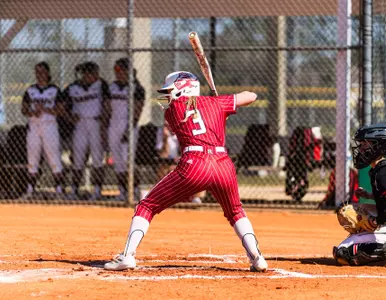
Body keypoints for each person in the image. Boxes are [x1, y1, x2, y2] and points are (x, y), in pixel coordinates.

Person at [104, 71, 268, 272]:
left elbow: (176, 105)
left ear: (181, 90)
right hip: (223, 164)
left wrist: (213, 102)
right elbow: (251, 96)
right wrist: (222, 102)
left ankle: (127, 256)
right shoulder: (217, 102)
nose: (168, 95)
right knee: (235, 211)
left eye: (172, 90)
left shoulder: (173, 109)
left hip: (195, 164)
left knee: (146, 206)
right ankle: (257, 257)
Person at [333, 124, 386, 266]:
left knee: (343, 252)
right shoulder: (384, 167)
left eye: (364, 145)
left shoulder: (383, 172)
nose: (360, 149)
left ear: (378, 146)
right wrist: (368, 195)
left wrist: (375, 221)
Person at [63, 62, 111, 200]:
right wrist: (69, 117)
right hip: (80, 125)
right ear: (85, 74)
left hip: (96, 123)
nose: (95, 76)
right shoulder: (73, 87)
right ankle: (74, 190)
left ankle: (97, 191)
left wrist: (104, 124)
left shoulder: (101, 85)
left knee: (97, 159)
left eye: (95, 73)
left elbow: (107, 105)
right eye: (91, 74)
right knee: (78, 159)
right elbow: (61, 106)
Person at [21, 62, 65, 199]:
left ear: (47, 73)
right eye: (37, 72)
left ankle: (59, 189)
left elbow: (61, 110)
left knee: (53, 157)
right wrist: (32, 112)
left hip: (49, 125)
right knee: (32, 157)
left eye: (42, 72)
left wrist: (45, 109)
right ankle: (30, 190)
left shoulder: (55, 90)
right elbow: (24, 109)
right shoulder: (30, 90)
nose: (39, 75)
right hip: (34, 125)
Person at [108, 58, 145, 201]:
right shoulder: (112, 87)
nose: (118, 74)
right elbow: (107, 107)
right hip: (114, 124)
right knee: (117, 161)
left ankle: (135, 190)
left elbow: (138, 110)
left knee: (127, 159)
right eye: (116, 71)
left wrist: (129, 129)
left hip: (128, 124)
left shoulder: (137, 87)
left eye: (121, 71)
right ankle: (122, 191)